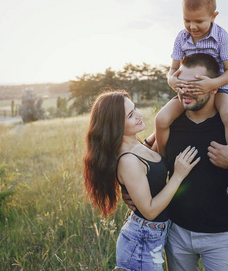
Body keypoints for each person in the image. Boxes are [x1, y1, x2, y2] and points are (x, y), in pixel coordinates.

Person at [127, 53, 228, 270]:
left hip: (222, 238)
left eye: (195, 84)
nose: (185, 90)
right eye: (182, 84)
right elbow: (148, 171)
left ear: (214, 87)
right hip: (176, 234)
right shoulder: (170, 124)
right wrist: (131, 194)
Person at [83, 90, 201, 271]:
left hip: (152, 237)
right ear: (115, 125)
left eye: (135, 108)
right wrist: (178, 175)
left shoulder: (137, 144)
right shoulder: (128, 160)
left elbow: (167, 117)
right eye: (131, 115)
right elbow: (150, 211)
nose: (139, 115)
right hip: (140, 244)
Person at [155, 0, 228, 199]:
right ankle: (162, 161)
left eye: (199, 21)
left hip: (217, 90)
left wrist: (211, 84)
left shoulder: (222, 37)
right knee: (161, 119)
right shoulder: (181, 38)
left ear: (213, 16)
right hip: (186, 91)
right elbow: (173, 69)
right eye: (187, 20)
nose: (192, 26)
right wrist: (171, 80)